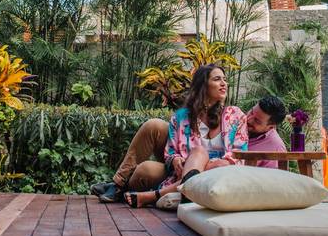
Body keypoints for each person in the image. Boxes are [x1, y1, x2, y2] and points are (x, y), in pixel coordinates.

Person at [91, 94, 289, 203]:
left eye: (257, 120)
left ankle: (140, 192)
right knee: (153, 126)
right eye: (252, 112)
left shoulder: (274, 148)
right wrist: (175, 156)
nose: (250, 119)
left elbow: (264, 186)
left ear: (271, 127)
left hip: (204, 176)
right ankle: (117, 184)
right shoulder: (235, 117)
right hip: (186, 160)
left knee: (146, 170)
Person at [123, 64, 248, 208]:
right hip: (184, 171)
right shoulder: (181, 118)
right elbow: (170, 151)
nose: (224, 83)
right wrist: (175, 159)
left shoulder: (236, 116)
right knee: (199, 152)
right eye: (217, 79)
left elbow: (240, 153)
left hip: (221, 173)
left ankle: (155, 195)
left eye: (224, 80)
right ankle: (187, 193)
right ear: (203, 85)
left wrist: (212, 164)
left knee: (214, 161)